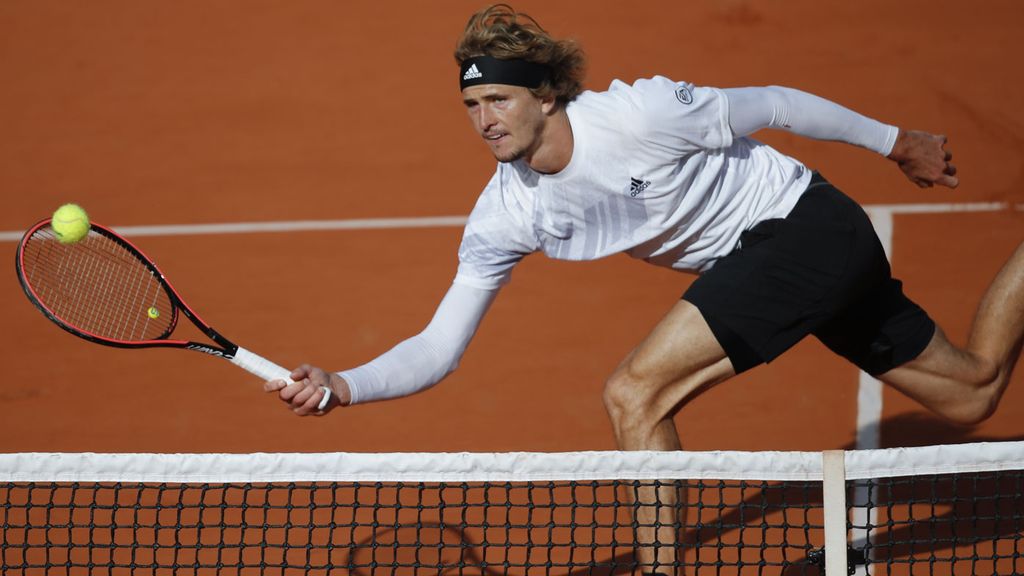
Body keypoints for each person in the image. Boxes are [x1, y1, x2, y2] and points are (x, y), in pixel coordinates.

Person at [265, 4, 1024, 574]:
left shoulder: (640, 114)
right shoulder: (507, 212)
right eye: (472, 106)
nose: (485, 121)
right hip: (773, 266)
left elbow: (776, 103)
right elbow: (439, 345)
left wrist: (897, 142)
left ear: (547, 96)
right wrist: (345, 385)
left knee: (636, 393)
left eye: (499, 100)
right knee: (972, 392)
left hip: (803, 227)